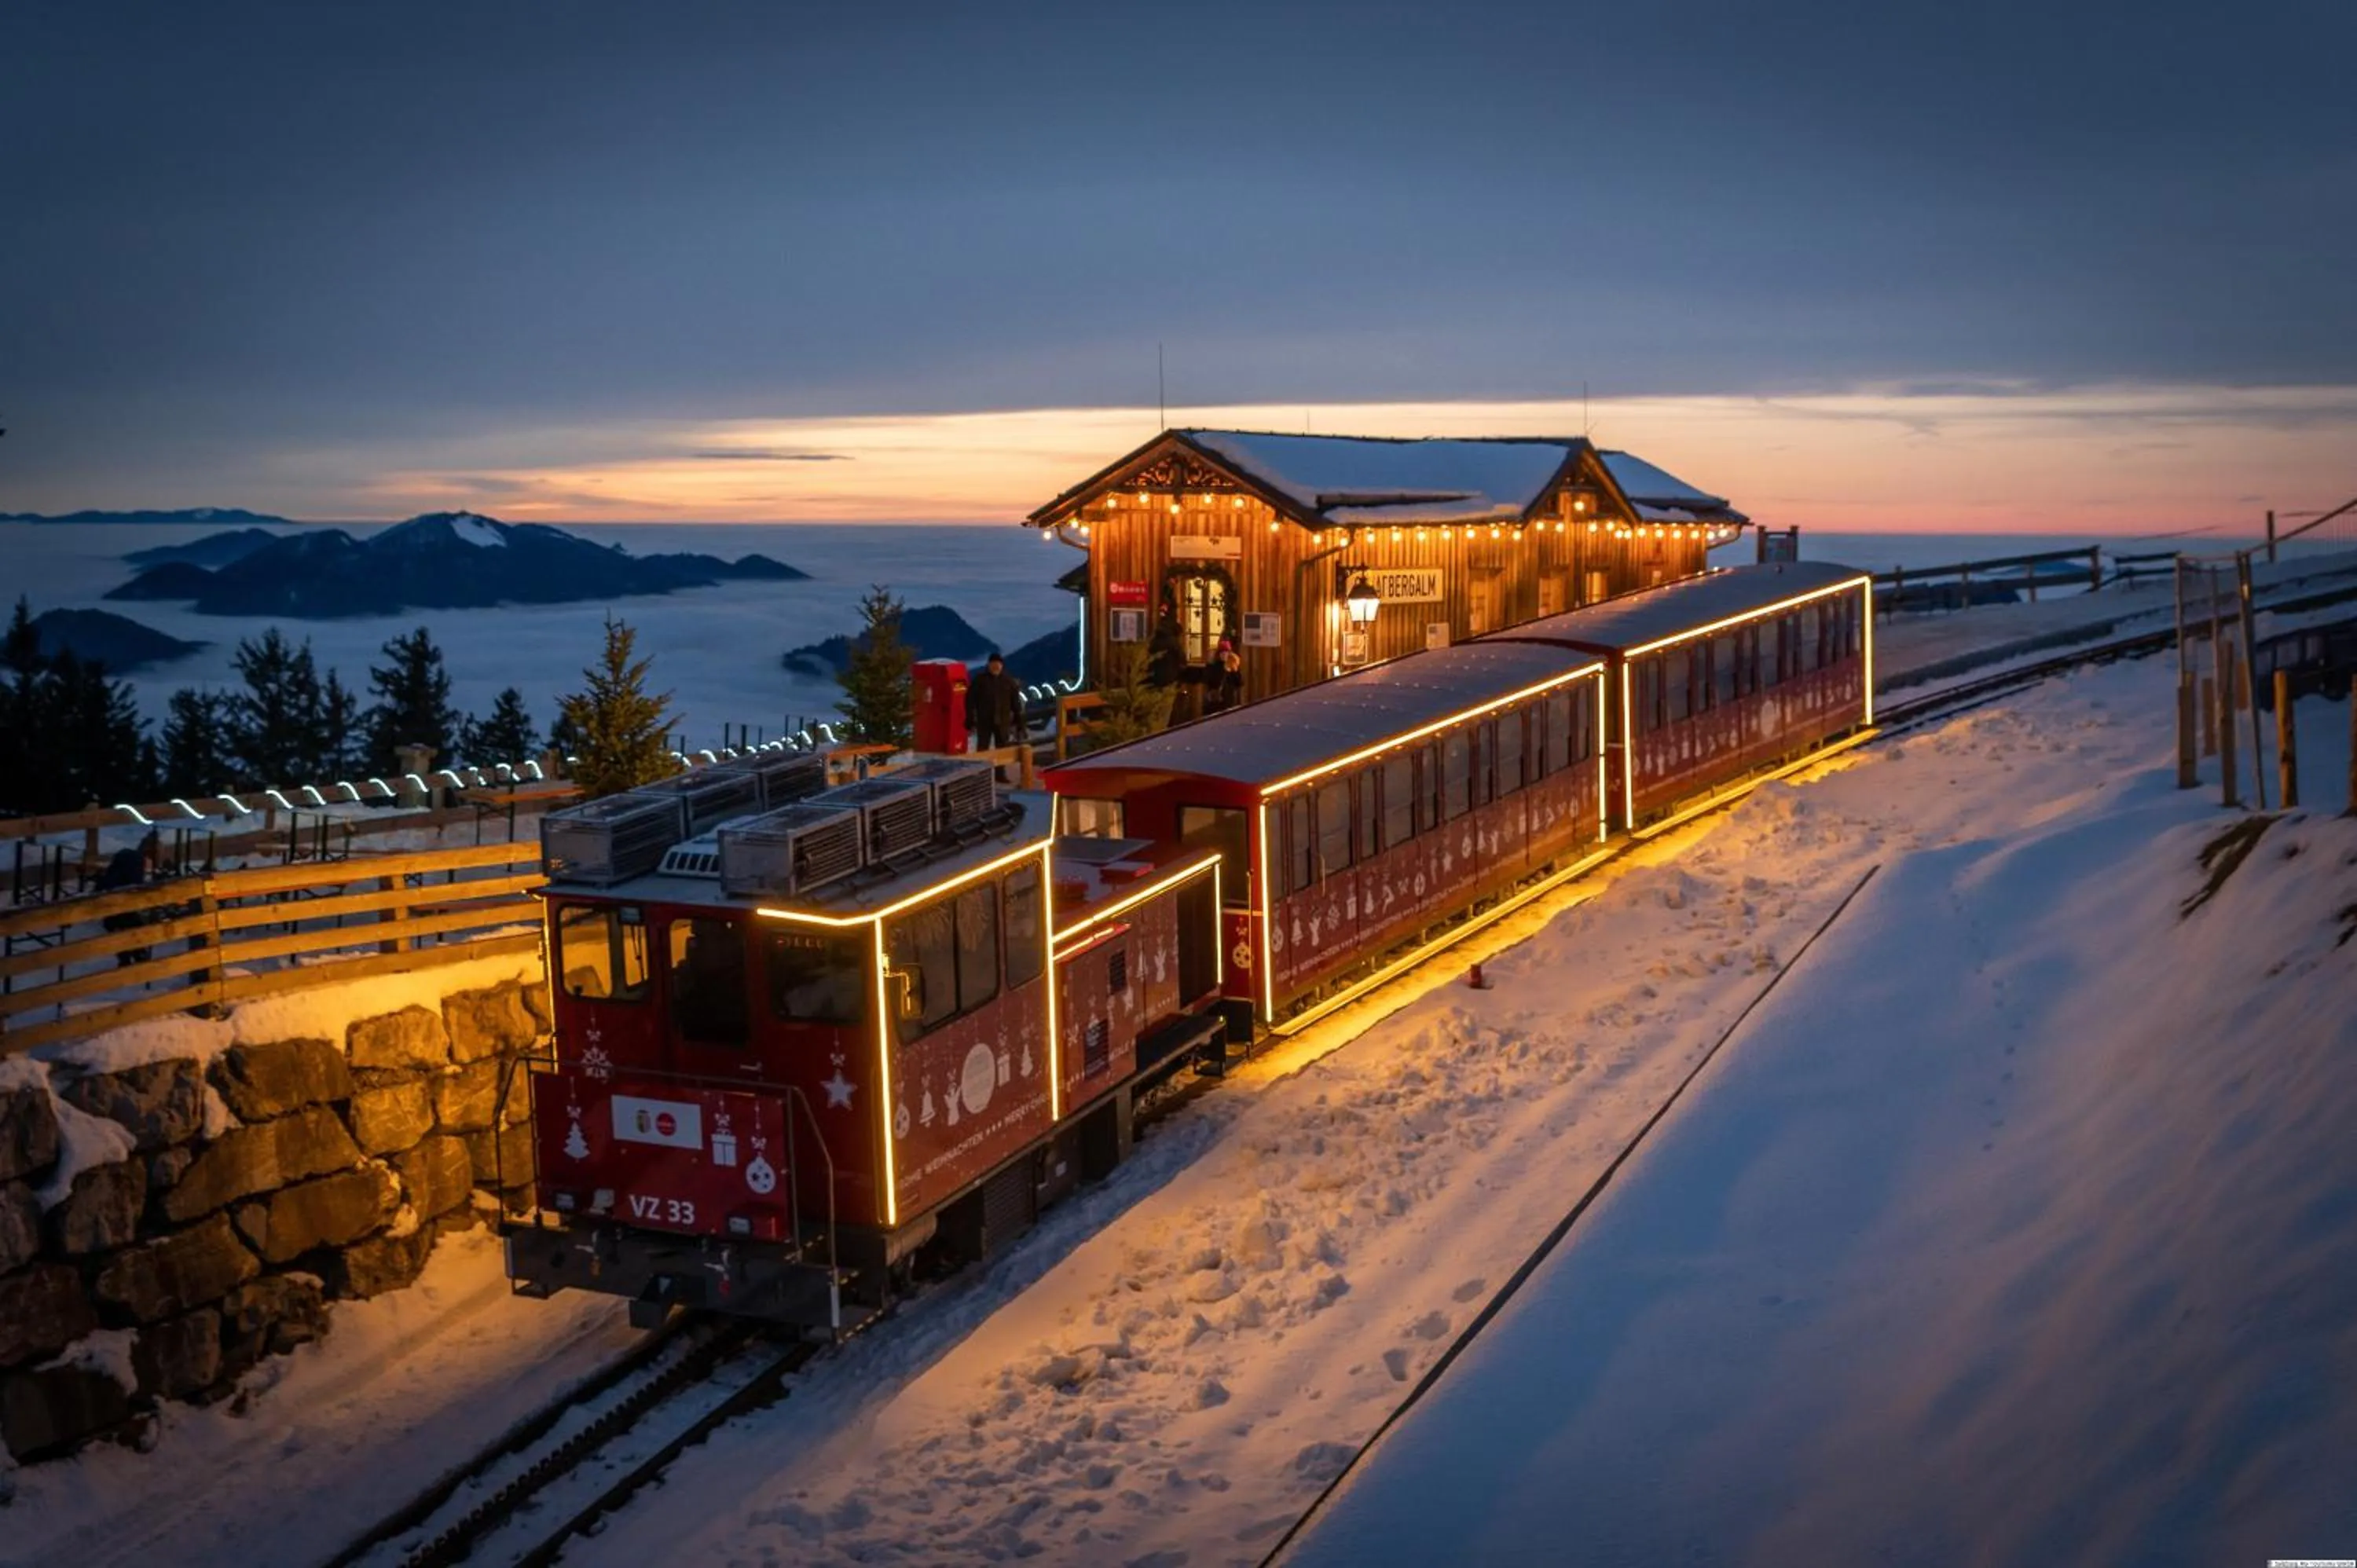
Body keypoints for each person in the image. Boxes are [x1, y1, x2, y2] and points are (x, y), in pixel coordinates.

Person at [98, 830, 161, 966]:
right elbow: (136, 884)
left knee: (119, 925)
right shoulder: (137, 861)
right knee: (128, 924)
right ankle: (136, 955)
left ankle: (129, 956)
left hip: (113, 897)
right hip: (122, 898)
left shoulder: (129, 856)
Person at [967, 651, 1027, 752]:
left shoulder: (1008, 681)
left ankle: (1001, 768)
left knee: (1002, 749)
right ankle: (983, 767)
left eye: (998, 664)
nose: (996, 667)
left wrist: (1020, 722)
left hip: (1003, 721)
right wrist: (970, 719)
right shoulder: (980, 680)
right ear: (989, 665)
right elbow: (970, 701)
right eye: (993, 664)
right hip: (984, 721)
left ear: (1002, 665)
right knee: (983, 749)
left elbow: (1016, 704)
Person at [1204, 639, 1244, 714]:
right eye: (1222, 653)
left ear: (1229, 653)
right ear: (1218, 654)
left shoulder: (1233, 666)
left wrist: (1234, 671)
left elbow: (1240, 682)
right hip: (1216, 701)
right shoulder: (1215, 666)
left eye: (1226, 652)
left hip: (1229, 700)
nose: (1224, 655)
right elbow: (1210, 681)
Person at [1146, 611, 1185, 689]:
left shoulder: (1155, 641)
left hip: (1155, 677)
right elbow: (1182, 660)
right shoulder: (1173, 642)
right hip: (1169, 678)